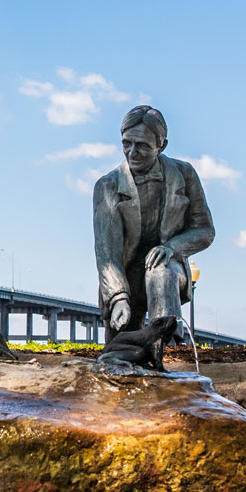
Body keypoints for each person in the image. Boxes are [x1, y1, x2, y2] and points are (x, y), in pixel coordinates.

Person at [93, 105, 215, 342]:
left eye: (142, 146)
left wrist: (172, 248)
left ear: (162, 146)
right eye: (126, 143)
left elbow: (205, 230)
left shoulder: (185, 174)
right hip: (124, 276)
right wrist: (117, 296)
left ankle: (168, 344)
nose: (132, 152)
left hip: (169, 272)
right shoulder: (107, 186)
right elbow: (107, 252)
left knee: (160, 270)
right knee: (118, 353)